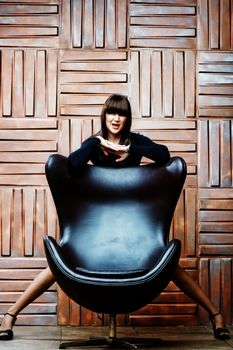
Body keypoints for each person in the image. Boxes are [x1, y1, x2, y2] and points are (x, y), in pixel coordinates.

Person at [0, 94, 230, 341]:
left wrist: (130, 149)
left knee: (169, 265)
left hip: (133, 231)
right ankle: (10, 315)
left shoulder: (135, 142)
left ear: (127, 118)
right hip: (95, 234)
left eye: (121, 114)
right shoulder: (95, 143)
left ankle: (216, 315)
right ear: (105, 116)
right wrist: (96, 144)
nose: (116, 118)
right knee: (58, 266)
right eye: (111, 113)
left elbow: (163, 155)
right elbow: (73, 164)